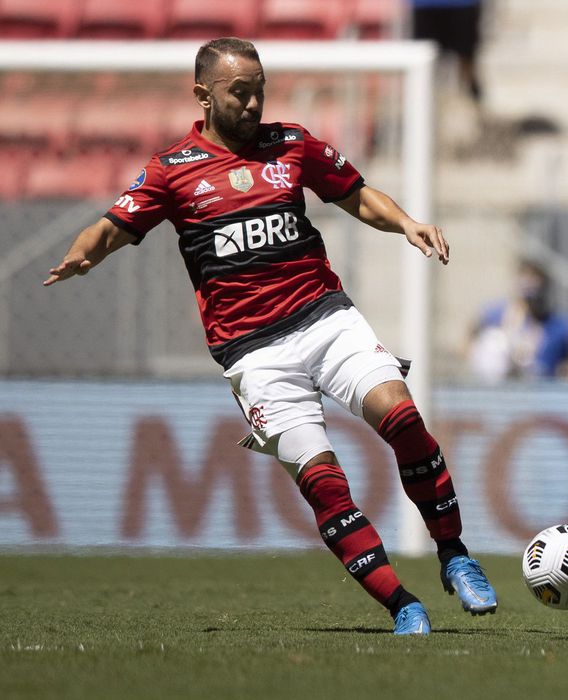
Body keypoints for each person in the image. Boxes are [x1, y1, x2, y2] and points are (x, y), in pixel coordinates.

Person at [42, 37, 498, 635]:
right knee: (325, 484)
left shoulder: (293, 144)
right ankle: (402, 605)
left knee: (404, 419)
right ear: (203, 95)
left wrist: (407, 223)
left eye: (260, 89)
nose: (254, 103)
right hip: (253, 353)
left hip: (324, 318)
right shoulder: (172, 170)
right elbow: (111, 228)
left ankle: (454, 554)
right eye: (240, 92)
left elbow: (356, 195)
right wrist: (82, 255)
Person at [468, 258, 568, 382]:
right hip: (503, 387)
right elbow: (468, 341)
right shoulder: (496, 314)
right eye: (526, 277)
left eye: (535, 279)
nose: (530, 285)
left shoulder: (560, 325)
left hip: (542, 387)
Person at [412, 0, 484, 105]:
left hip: (462, 5)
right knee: (424, 57)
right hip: (425, 6)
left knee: (466, 53)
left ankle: (471, 96)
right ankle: (424, 99)